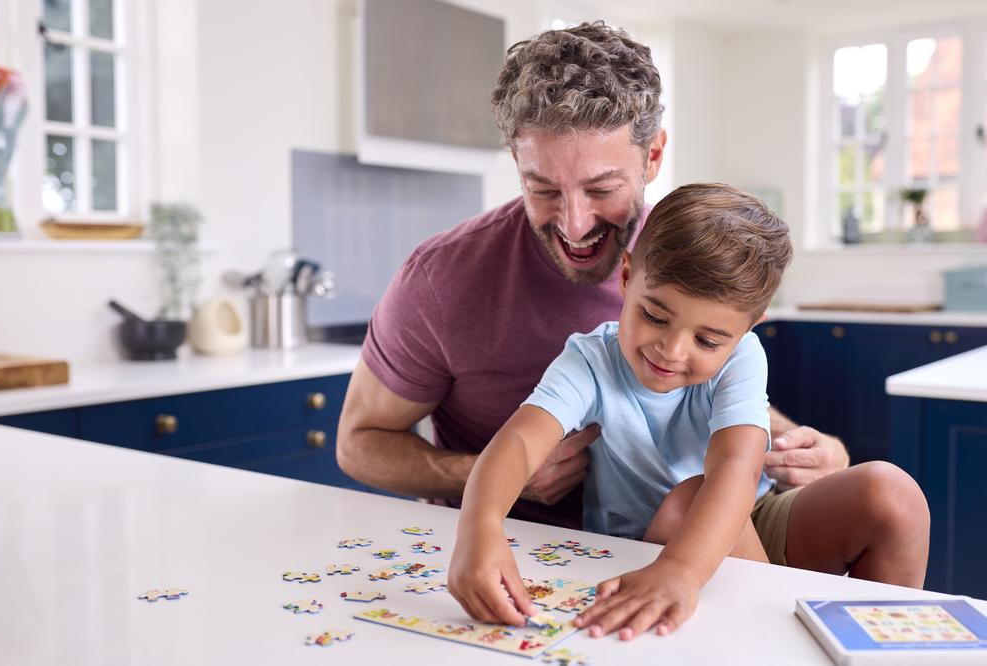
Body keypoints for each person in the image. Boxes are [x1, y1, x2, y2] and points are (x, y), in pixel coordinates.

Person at [337, 22, 926, 579]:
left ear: (652, 157)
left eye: (601, 189)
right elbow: (357, 444)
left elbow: (715, 397)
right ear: (517, 163)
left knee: (869, 498)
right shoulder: (443, 279)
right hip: (549, 555)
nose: (573, 223)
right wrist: (487, 480)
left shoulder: (679, 253)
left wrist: (813, 451)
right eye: (542, 189)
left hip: (718, 520)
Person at [447, 184, 928, 641]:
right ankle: (773, 638)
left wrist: (684, 572)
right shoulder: (590, 360)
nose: (671, 351)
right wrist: (481, 527)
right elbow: (518, 441)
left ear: (746, 330)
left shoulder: (744, 356)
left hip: (749, 522)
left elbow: (737, 468)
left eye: (707, 340)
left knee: (892, 493)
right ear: (627, 277)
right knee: (687, 500)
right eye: (654, 316)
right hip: (654, 546)